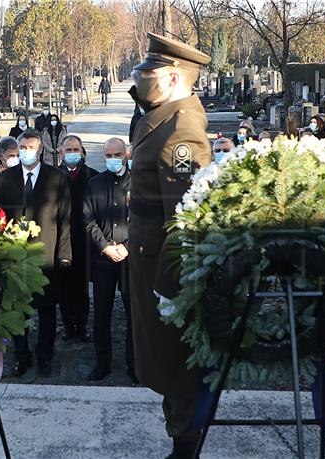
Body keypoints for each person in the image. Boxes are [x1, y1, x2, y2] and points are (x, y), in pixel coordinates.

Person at [127, 33, 212, 459]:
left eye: (148, 73)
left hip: (161, 267)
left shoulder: (183, 132)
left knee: (175, 360)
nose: (140, 79)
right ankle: (179, 436)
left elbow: (184, 218)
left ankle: (185, 447)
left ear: (175, 77)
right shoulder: (161, 114)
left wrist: (169, 286)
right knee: (161, 357)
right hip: (145, 259)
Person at [0, 129, 72, 377]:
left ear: (40, 150)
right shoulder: (7, 179)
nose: (27, 152)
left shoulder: (57, 177)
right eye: (23, 148)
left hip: (46, 253)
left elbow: (65, 219)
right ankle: (21, 356)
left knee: (47, 309)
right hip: (16, 255)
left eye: (32, 148)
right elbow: (0, 217)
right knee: (18, 309)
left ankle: (45, 355)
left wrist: (64, 254)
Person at [82, 138, 133, 382]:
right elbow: (88, 220)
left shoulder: (139, 183)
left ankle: (134, 364)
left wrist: (127, 247)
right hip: (103, 259)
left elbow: (144, 220)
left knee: (134, 314)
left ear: (126, 154)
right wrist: (105, 247)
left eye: (117, 154)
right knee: (102, 313)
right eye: (109, 155)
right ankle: (102, 363)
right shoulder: (95, 184)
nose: (113, 159)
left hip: (130, 260)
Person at [58, 135, 98, 342]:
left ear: (82, 152)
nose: (72, 154)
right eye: (68, 150)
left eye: (76, 150)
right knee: (64, 285)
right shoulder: (54, 177)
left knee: (81, 286)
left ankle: (81, 324)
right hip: (62, 238)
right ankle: (67, 325)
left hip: (84, 239)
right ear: (61, 153)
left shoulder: (93, 176)